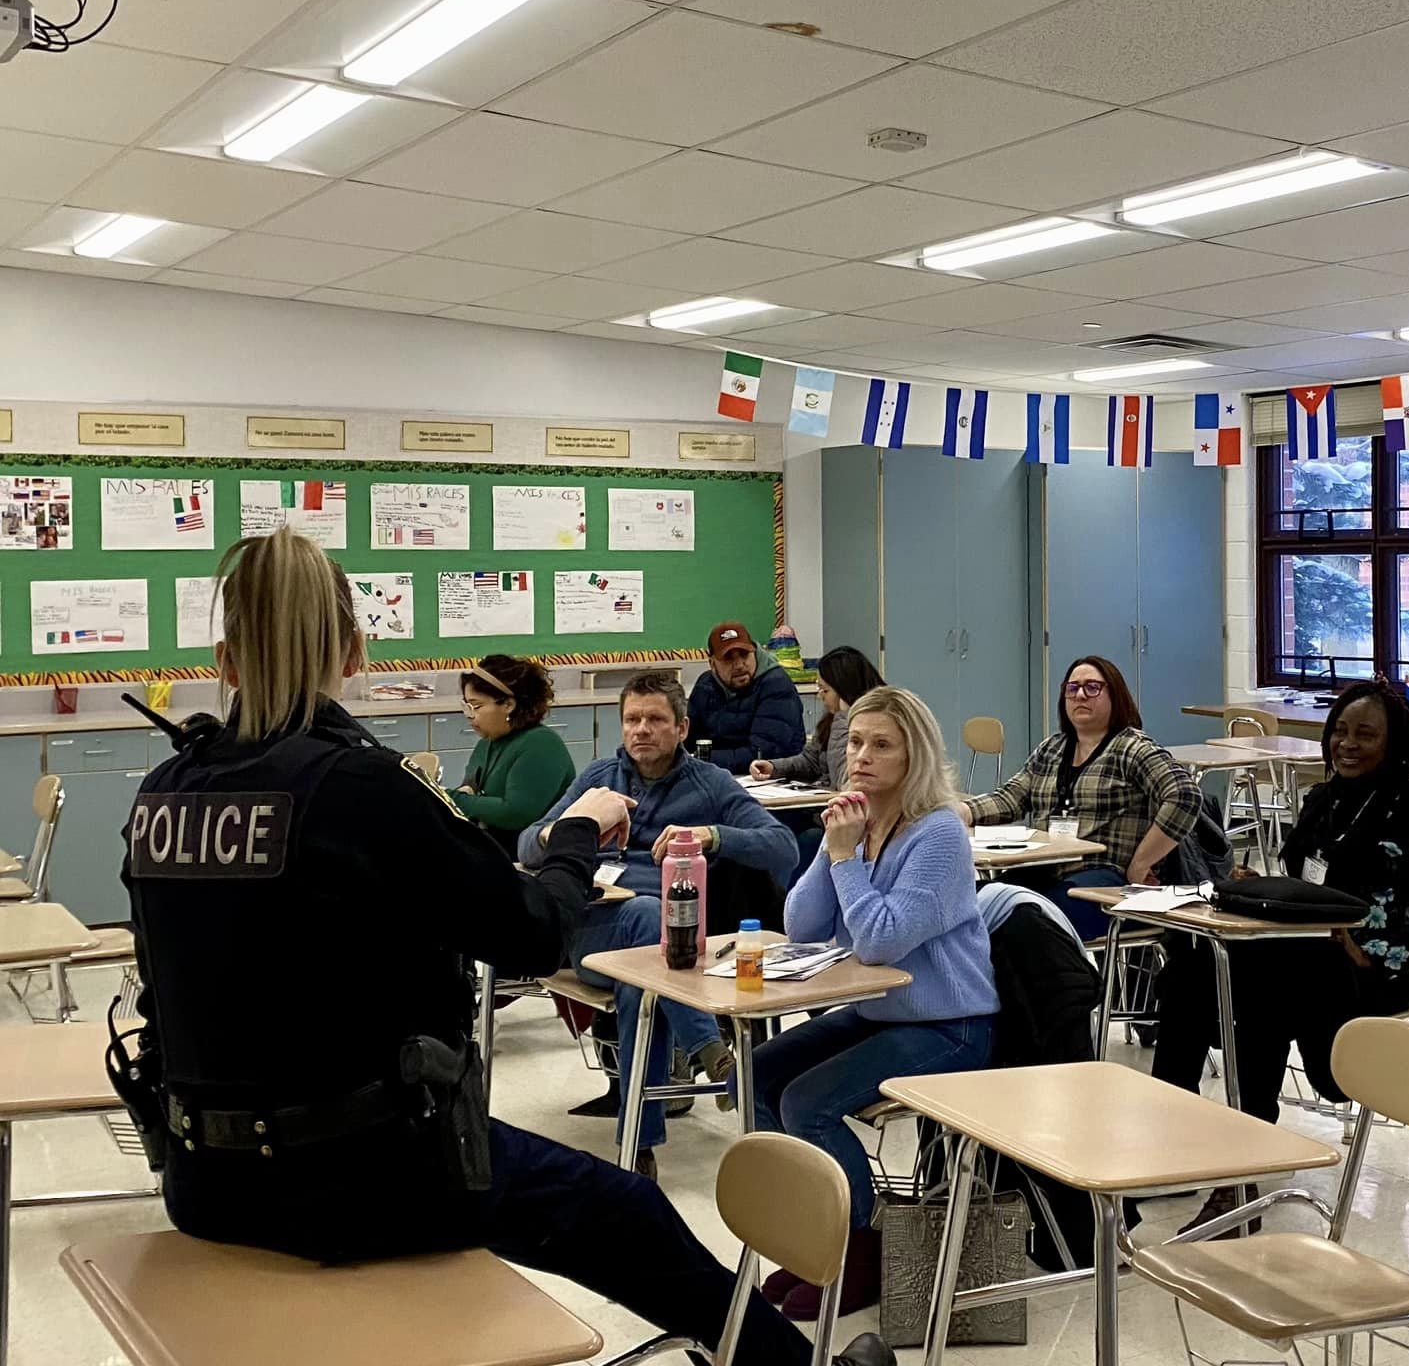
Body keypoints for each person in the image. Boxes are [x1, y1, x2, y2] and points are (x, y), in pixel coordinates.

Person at [116, 529, 890, 1366]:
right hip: (365, 1175)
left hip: (203, 1180)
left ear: (225, 662)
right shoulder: (359, 785)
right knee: (630, 1213)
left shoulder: (167, 792)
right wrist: (575, 838)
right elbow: (525, 933)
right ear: (352, 650)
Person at [1153, 679, 1409, 1233]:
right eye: (1340, 732)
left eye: (1365, 734)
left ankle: (1239, 1173)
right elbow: (1305, 886)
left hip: (1374, 976)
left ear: (1395, 744)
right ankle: (1173, 1135)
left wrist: (1370, 949)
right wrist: (1263, 888)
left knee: (1265, 988)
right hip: (1301, 962)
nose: (1347, 744)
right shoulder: (1323, 801)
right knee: (1193, 958)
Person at [750, 686, 997, 1321]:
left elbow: (881, 943)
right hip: (880, 1014)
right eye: (856, 742)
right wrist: (836, 849)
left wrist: (844, 860)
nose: (861, 755)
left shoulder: (938, 835)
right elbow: (802, 926)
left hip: (951, 1026)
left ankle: (859, 1252)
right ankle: (814, 1235)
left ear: (914, 756)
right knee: (757, 1072)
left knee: (808, 1103)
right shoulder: (858, 822)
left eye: (880, 745)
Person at [521, 673, 799, 1172]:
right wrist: (570, 832)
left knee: (642, 985)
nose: (640, 730)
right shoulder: (598, 778)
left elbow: (782, 845)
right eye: (631, 719)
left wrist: (712, 835)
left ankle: (638, 1149)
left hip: (672, 944)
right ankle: (708, 1046)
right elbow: (526, 843)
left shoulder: (709, 785)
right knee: (650, 922)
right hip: (594, 931)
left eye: (654, 719)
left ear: (683, 727)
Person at [959, 655, 1201, 939]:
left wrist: (1141, 863)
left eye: (1092, 687)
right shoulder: (1053, 748)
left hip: (1106, 877)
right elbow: (1012, 797)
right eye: (1072, 689)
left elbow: (1185, 796)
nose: (1080, 695)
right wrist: (962, 811)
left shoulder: (1132, 748)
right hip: (1045, 869)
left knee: (1026, 921)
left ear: (1115, 695)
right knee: (971, 902)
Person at [751, 645, 885, 880]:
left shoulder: (870, 724)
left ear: (845, 691)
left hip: (853, 820)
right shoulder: (831, 721)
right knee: (772, 826)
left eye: (825, 689)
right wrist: (774, 767)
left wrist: (845, 716)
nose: (819, 695)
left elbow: (846, 778)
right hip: (820, 809)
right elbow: (811, 759)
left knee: (805, 839)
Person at [446, 654, 576, 857]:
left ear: (508, 705)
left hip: (528, 858)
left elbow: (515, 813)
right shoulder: (486, 744)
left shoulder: (540, 744)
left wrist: (449, 797)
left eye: (477, 706)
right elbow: (470, 792)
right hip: (492, 851)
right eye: (467, 706)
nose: (470, 715)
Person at [688, 620, 805, 772]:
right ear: (712, 664)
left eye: (744, 655)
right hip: (718, 777)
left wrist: (700, 759)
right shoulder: (705, 686)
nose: (739, 665)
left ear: (755, 652)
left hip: (773, 781)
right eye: (728, 658)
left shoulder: (776, 685)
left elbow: (762, 753)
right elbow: (688, 742)